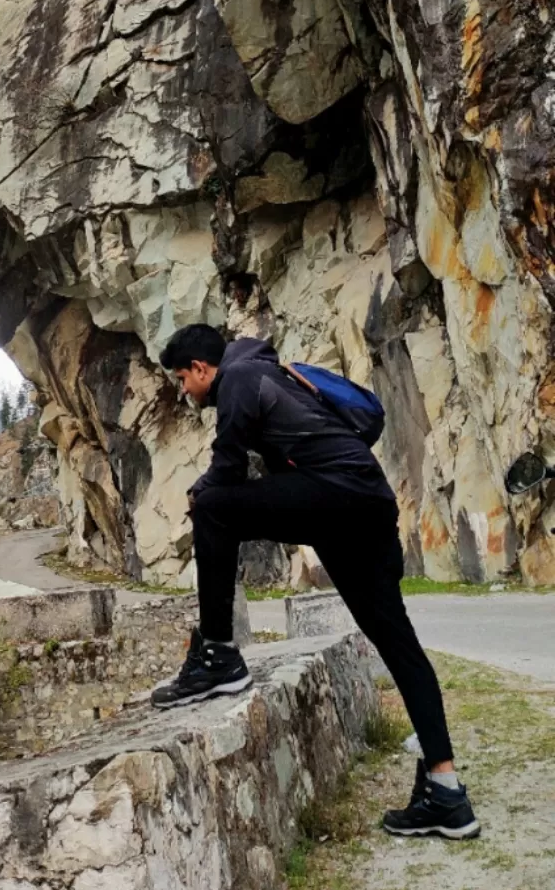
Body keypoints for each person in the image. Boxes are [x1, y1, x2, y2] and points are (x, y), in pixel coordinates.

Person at [152, 325, 479, 841]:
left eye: (181, 379)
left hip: (335, 499)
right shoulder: (267, 373)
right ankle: (447, 793)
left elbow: (228, 469)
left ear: (199, 368)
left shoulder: (237, 379)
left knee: (213, 508)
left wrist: (197, 493)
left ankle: (217, 656)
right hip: (364, 506)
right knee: (398, 643)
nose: (183, 391)